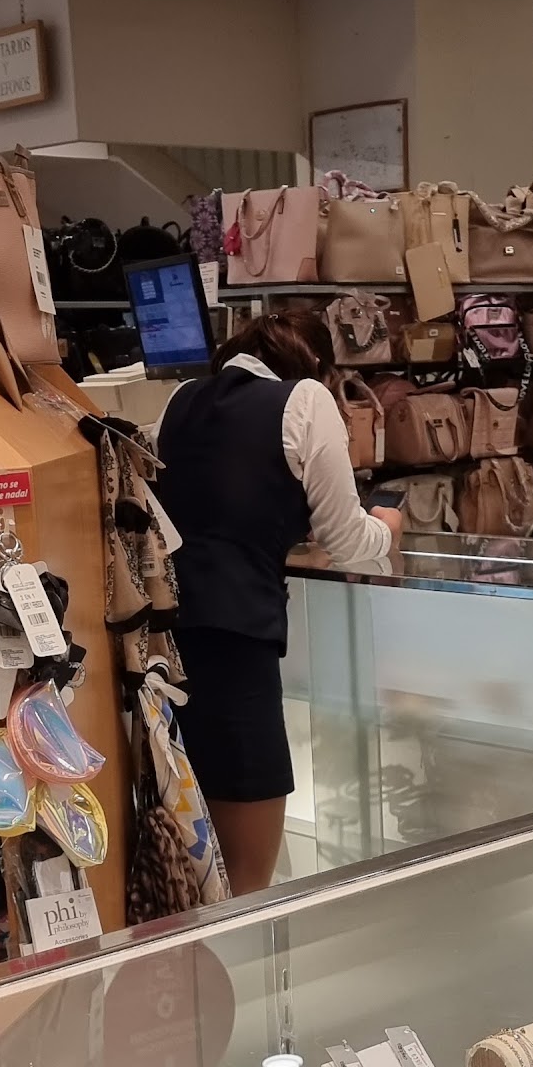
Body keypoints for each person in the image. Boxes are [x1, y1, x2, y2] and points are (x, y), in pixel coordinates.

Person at [156, 310, 400, 893]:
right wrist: (388, 527)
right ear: (316, 363)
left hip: (169, 648)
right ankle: (240, 956)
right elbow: (347, 541)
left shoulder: (180, 401)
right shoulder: (307, 399)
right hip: (240, 648)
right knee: (247, 880)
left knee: (190, 859)